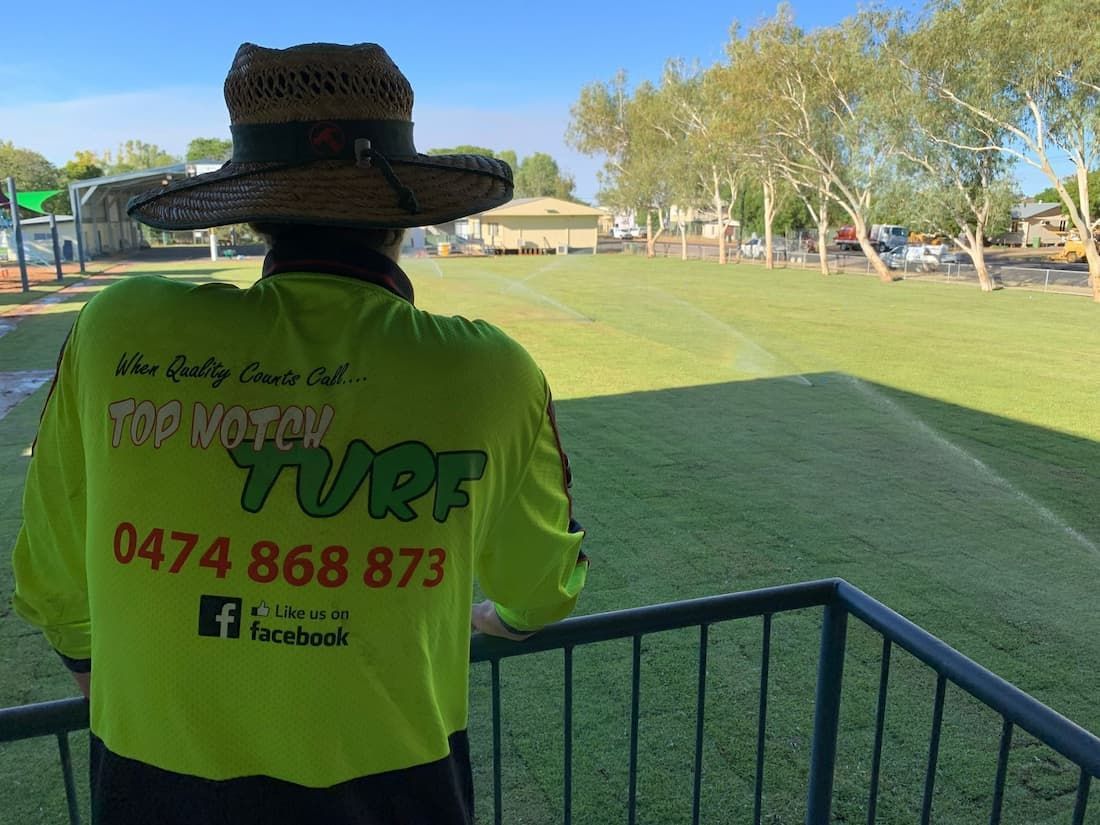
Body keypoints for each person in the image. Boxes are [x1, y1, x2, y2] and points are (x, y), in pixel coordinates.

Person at [11, 42, 588, 825]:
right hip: (398, 792)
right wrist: (499, 618)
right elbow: (544, 587)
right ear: (405, 214)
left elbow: (50, 582)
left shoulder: (118, 330)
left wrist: (104, 677)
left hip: (151, 787)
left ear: (253, 211)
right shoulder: (493, 372)